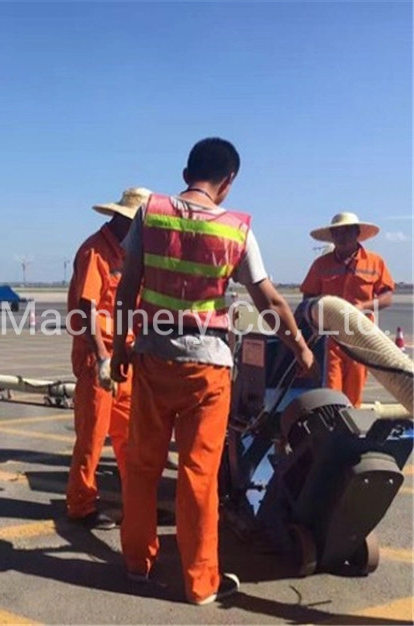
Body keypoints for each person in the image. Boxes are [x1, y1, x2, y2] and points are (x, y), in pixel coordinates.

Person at [111, 138, 316, 606]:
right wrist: (300, 346)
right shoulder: (237, 229)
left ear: (186, 171)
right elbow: (268, 300)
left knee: (142, 465)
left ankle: (137, 563)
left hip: (152, 359)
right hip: (207, 367)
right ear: (228, 181)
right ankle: (200, 581)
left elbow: (127, 289)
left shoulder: (151, 213)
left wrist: (122, 345)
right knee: (198, 474)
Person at [65, 187, 151, 530]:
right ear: (122, 219)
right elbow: (87, 308)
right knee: (91, 435)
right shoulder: (95, 251)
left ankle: (138, 503)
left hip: (124, 356)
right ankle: (81, 505)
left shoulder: (130, 253)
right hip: (96, 357)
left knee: (130, 437)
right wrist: (101, 357)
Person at [301, 213, 395, 407]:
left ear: (357, 233)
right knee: (331, 390)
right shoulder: (321, 265)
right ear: (332, 237)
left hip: (361, 338)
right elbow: (308, 298)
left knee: (355, 389)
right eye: (337, 233)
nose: (342, 237)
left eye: (347, 232)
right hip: (330, 339)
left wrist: (363, 307)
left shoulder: (375, 262)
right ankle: (333, 429)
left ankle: (351, 431)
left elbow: (386, 297)